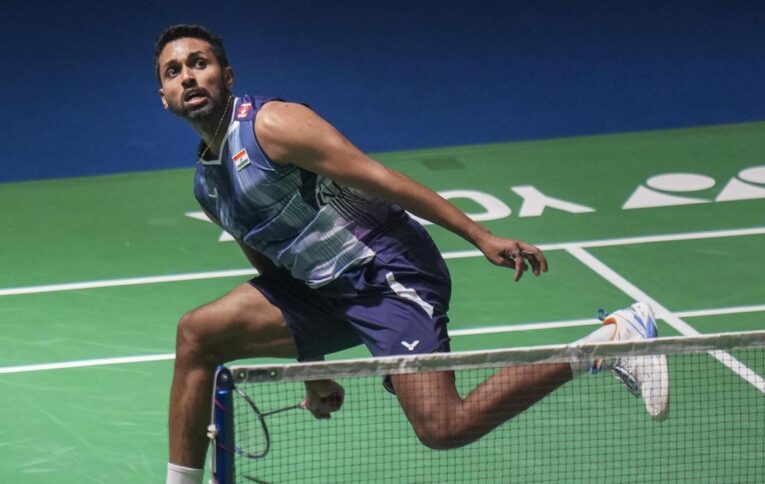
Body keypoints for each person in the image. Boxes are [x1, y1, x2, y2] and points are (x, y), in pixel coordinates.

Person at [155, 24, 670, 484]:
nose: (189, 77)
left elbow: (382, 180)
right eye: (174, 72)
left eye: (199, 63)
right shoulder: (209, 186)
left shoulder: (273, 126)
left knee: (443, 426)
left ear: (226, 74)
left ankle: (611, 340)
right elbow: (275, 268)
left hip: (387, 273)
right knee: (196, 335)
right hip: (323, 291)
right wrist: (311, 368)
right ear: (165, 97)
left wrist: (480, 236)